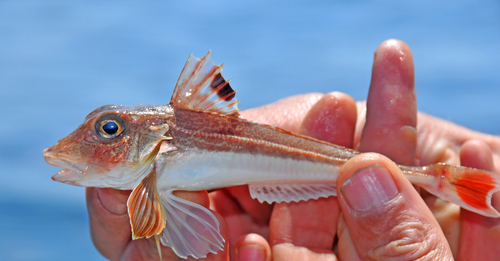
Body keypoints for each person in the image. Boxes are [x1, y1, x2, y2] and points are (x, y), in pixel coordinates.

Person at [85, 39, 500, 260]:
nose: (96, 142)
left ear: (153, 137)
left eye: (108, 130)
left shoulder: (162, 153)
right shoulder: (151, 174)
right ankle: (434, 179)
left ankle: (430, 178)